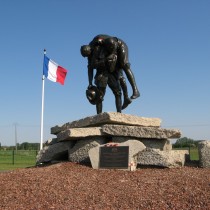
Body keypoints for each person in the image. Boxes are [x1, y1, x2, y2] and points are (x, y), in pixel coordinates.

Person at [89, 34, 140, 101]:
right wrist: (90, 83)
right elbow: (91, 67)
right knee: (118, 72)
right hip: (110, 46)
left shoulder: (97, 42)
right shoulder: (93, 50)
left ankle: (135, 90)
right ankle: (126, 98)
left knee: (125, 65)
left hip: (119, 44)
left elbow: (91, 66)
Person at [81, 44, 122, 114]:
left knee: (118, 93)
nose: (87, 56)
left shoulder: (103, 48)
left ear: (89, 49)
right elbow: (90, 69)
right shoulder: (90, 57)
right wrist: (90, 82)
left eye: (87, 54)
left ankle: (119, 113)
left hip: (110, 73)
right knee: (99, 96)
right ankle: (99, 115)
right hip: (101, 74)